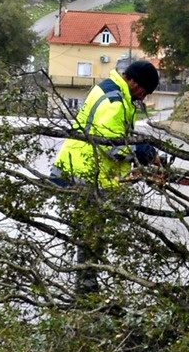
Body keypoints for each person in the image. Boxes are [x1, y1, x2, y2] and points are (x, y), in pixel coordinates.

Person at [53, 59, 161, 296]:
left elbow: (114, 136)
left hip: (86, 172)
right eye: (144, 90)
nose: (143, 96)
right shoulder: (115, 101)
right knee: (91, 236)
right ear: (132, 81)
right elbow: (111, 146)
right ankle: (86, 292)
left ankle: (88, 287)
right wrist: (143, 153)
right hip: (85, 174)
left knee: (91, 235)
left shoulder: (111, 89)